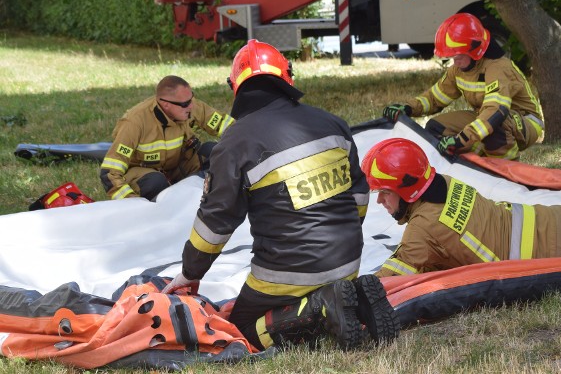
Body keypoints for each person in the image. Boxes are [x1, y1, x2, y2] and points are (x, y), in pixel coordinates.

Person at [162, 40, 399, 351]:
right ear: (288, 78)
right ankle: (356, 300)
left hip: (288, 273)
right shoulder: (332, 122)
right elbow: (359, 194)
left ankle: (318, 309)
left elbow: (215, 224)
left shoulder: (234, 143)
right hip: (349, 259)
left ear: (237, 87)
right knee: (314, 288)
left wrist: (190, 273)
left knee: (242, 330)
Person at [361, 137, 561, 277]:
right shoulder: (445, 181)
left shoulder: (421, 232)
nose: (380, 201)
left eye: (384, 193)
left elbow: (387, 280)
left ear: (408, 190)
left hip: (549, 263)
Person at [382, 13, 544, 161]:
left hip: (524, 122)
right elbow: (435, 97)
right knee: (435, 128)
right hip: (487, 116)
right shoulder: (458, 70)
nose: (455, 61)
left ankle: (508, 171)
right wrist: (408, 108)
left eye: (458, 56)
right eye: (452, 56)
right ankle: (472, 164)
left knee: (494, 126)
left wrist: (463, 139)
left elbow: (496, 110)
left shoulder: (498, 67)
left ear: (475, 51)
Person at [100, 75, 234, 201]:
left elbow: (227, 126)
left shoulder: (191, 107)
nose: (191, 106)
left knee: (216, 152)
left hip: (179, 168)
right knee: (155, 182)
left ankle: (203, 198)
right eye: (185, 104)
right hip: (146, 174)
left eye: (191, 99)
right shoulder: (134, 123)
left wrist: (248, 141)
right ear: (165, 104)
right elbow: (110, 172)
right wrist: (129, 201)